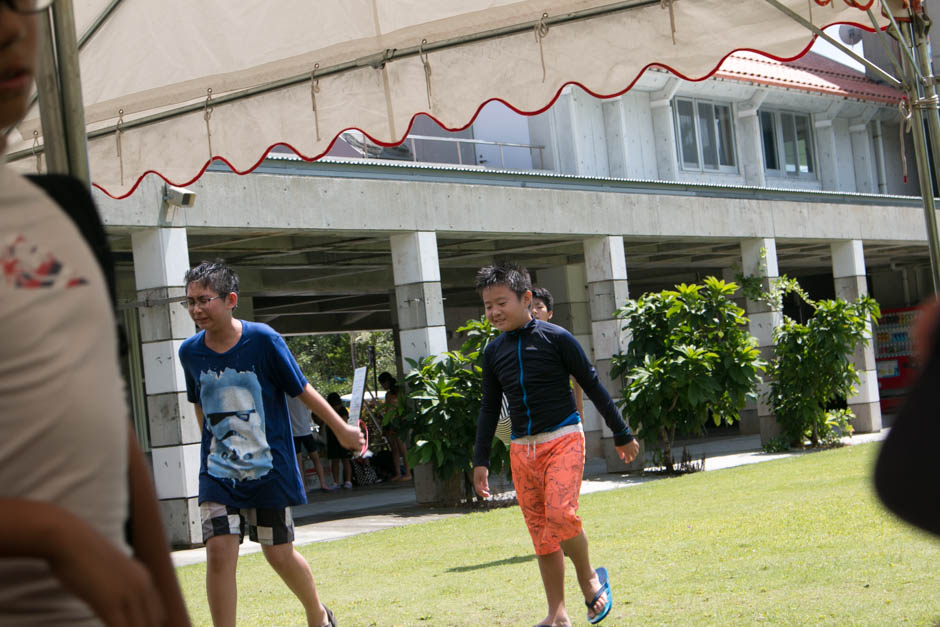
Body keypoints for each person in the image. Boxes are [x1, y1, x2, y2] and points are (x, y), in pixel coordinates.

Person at [0, 3, 189, 626]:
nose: (9, 29)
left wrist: (171, 609)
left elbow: (113, 431)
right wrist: (49, 532)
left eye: (17, 1)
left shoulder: (65, 210)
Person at [178, 261, 363, 627]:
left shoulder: (263, 340)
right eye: (190, 302)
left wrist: (341, 428)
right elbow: (199, 403)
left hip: (268, 468)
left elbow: (302, 389)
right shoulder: (190, 352)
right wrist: (214, 448)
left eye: (204, 300)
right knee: (218, 551)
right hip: (218, 472)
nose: (196, 309)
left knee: (278, 553)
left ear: (231, 299)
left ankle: (317, 613)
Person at [472, 263, 639, 627]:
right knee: (542, 536)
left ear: (526, 298)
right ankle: (557, 614)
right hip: (521, 449)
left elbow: (593, 385)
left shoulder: (557, 338)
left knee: (561, 515)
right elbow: (489, 407)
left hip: (563, 438)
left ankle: (589, 577)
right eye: (488, 306)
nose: (494, 312)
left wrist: (621, 433)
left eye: (501, 302)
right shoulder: (493, 351)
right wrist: (480, 459)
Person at [531, 287, 585, 422]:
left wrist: (580, 410)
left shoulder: (560, 339)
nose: (534, 311)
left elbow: (578, 377)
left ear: (550, 313)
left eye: (539, 307)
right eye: (529, 307)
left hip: (561, 416)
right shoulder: (515, 342)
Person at [287, 394, 336, 493]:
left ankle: (305, 487)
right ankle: (322, 483)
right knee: (315, 458)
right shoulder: (302, 394)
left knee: (300, 462)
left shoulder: (285, 396)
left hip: (296, 432)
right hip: (305, 431)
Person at [378, 373, 412, 481]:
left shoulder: (399, 392)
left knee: (402, 448)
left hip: (398, 421)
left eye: (383, 384)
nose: (383, 386)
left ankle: (408, 472)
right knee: (395, 449)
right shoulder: (388, 394)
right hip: (390, 422)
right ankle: (398, 472)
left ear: (387, 382)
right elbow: (388, 410)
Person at [325, 392, 355, 489]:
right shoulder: (328, 410)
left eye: (337, 405)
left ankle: (348, 481)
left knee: (345, 459)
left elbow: (344, 422)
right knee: (335, 460)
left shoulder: (343, 410)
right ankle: (335, 482)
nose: (336, 407)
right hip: (332, 438)